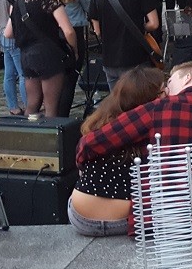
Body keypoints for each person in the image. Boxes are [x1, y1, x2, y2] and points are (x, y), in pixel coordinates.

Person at [77, 61, 192, 237]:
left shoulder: (158, 108)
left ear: (187, 78)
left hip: (164, 224)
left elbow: (92, 142)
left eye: (170, 82)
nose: (167, 91)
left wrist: (80, 165)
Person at [68, 67, 163, 237]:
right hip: (123, 219)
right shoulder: (155, 126)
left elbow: (81, 162)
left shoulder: (102, 125)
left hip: (80, 216)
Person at [3, 0, 78, 117]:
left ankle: (28, 137)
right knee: (51, 107)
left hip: (27, 57)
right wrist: (74, 50)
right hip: (49, 56)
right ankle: (52, 138)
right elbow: (68, 30)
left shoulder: (18, 2)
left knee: (32, 104)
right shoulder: (49, 0)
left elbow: (8, 33)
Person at [89, 0, 160, 89]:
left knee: (117, 105)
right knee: (137, 104)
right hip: (136, 58)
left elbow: (97, 30)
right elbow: (154, 24)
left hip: (110, 59)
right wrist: (140, 27)